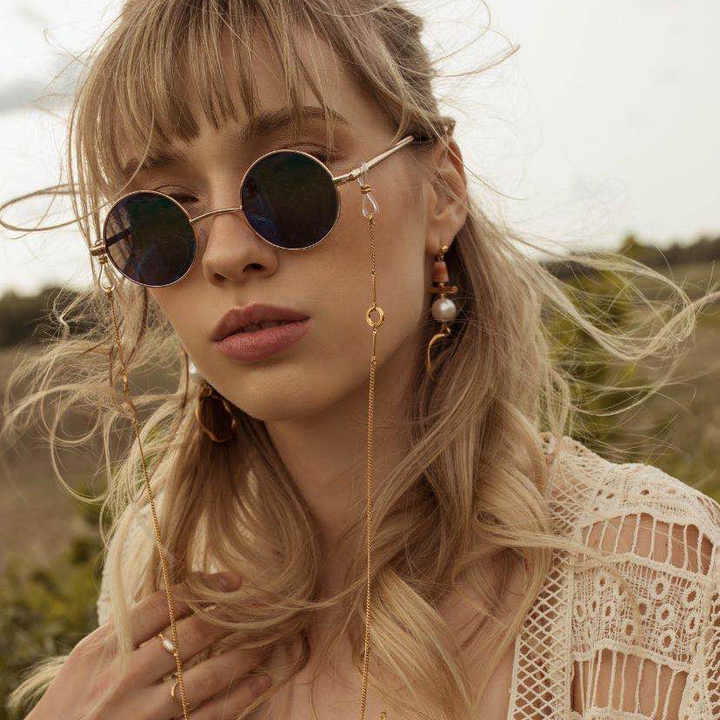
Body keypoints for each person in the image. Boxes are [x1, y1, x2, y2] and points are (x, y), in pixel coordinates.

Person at [2, 1, 719, 719]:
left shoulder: (654, 581)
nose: (227, 253)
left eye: (293, 178)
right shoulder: (155, 574)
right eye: (161, 212)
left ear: (442, 190)